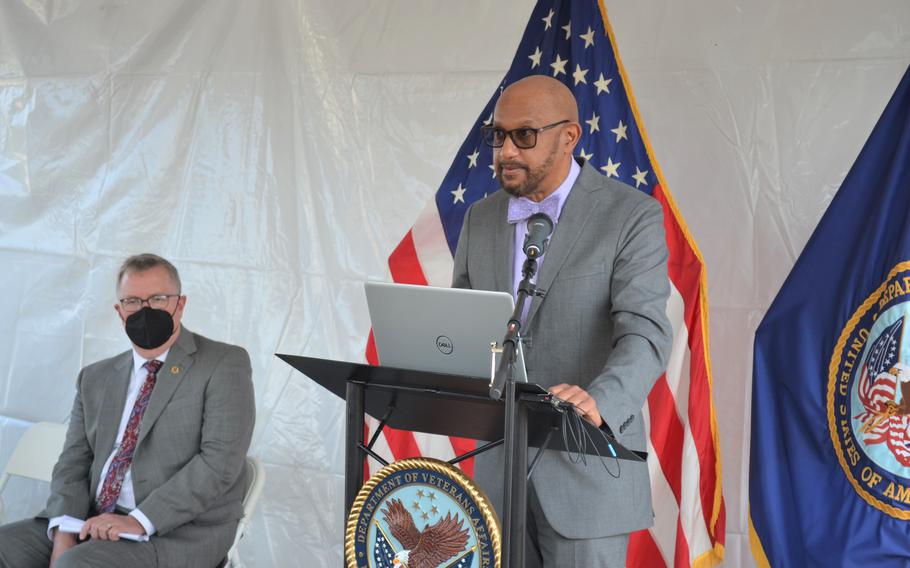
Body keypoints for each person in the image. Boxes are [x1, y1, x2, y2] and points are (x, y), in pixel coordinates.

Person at [452, 75, 673, 566]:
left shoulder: (630, 215)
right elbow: (461, 327)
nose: (506, 150)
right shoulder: (479, 219)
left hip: (586, 474)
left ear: (568, 136)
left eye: (524, 135)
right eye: (498, 135)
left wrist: (602, 399)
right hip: (495, 475)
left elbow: (646, 332)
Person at [0, 254, 255, 568]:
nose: (145, 310)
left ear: (181, 304)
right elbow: (74, 460)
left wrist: (139, 520)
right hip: (92, 520)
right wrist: (64, 529)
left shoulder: (222, 363)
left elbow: (220, 462)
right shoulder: (95, 377)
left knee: (77, 565)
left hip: (175, 531)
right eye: (133, 301)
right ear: (120, 312)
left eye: (158, 298)